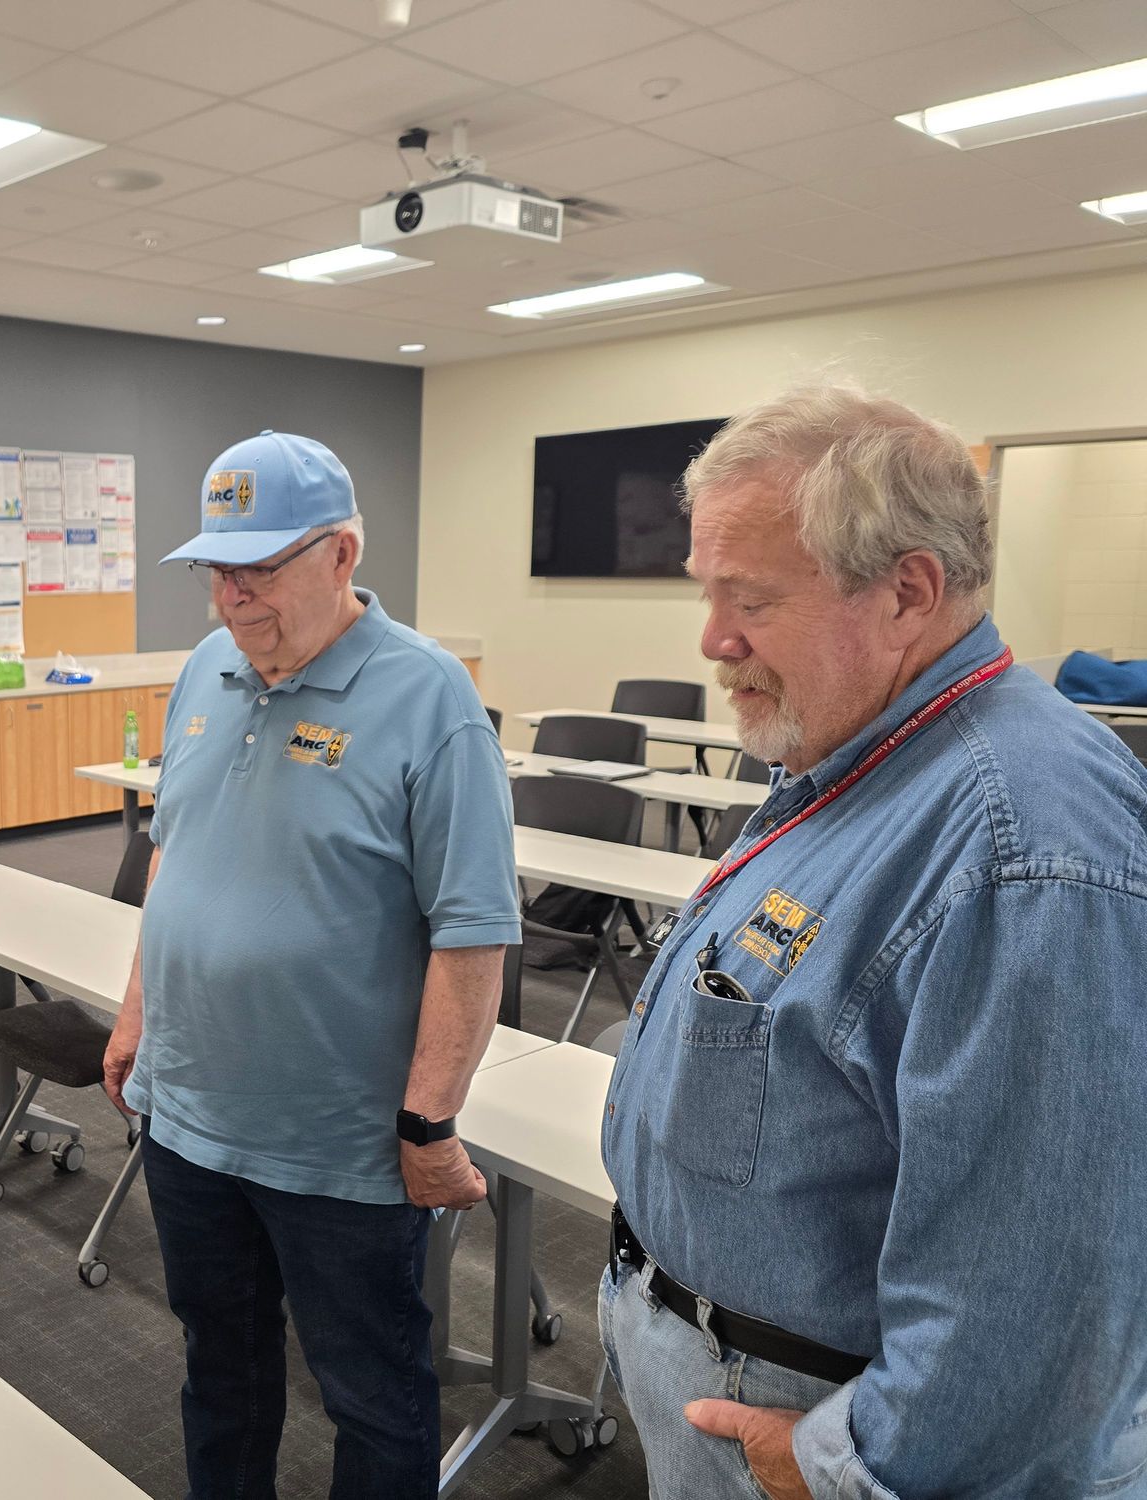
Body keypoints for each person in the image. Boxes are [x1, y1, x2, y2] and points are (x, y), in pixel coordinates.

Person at [600, 386, 1147, 1499]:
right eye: (708, 592)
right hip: (728, 1377)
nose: (712, 639)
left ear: (908, 591)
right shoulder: (854, 749)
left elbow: (1041, 1296)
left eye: (751, 598)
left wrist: (838, 1464)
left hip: (813, 1440)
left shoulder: (1022, 850)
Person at [101, 431, 521, 1499]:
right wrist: (137, 1014)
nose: (231, 598)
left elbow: (473, 931)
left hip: (337, 1147)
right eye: (215, 570)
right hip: (189, 1117)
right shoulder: (204, 670)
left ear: (341, 554)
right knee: (219, 1369)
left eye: (258, 569)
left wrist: (427, 1122)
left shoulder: (430, 699)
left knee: (370, 1398)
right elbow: (172, 855)